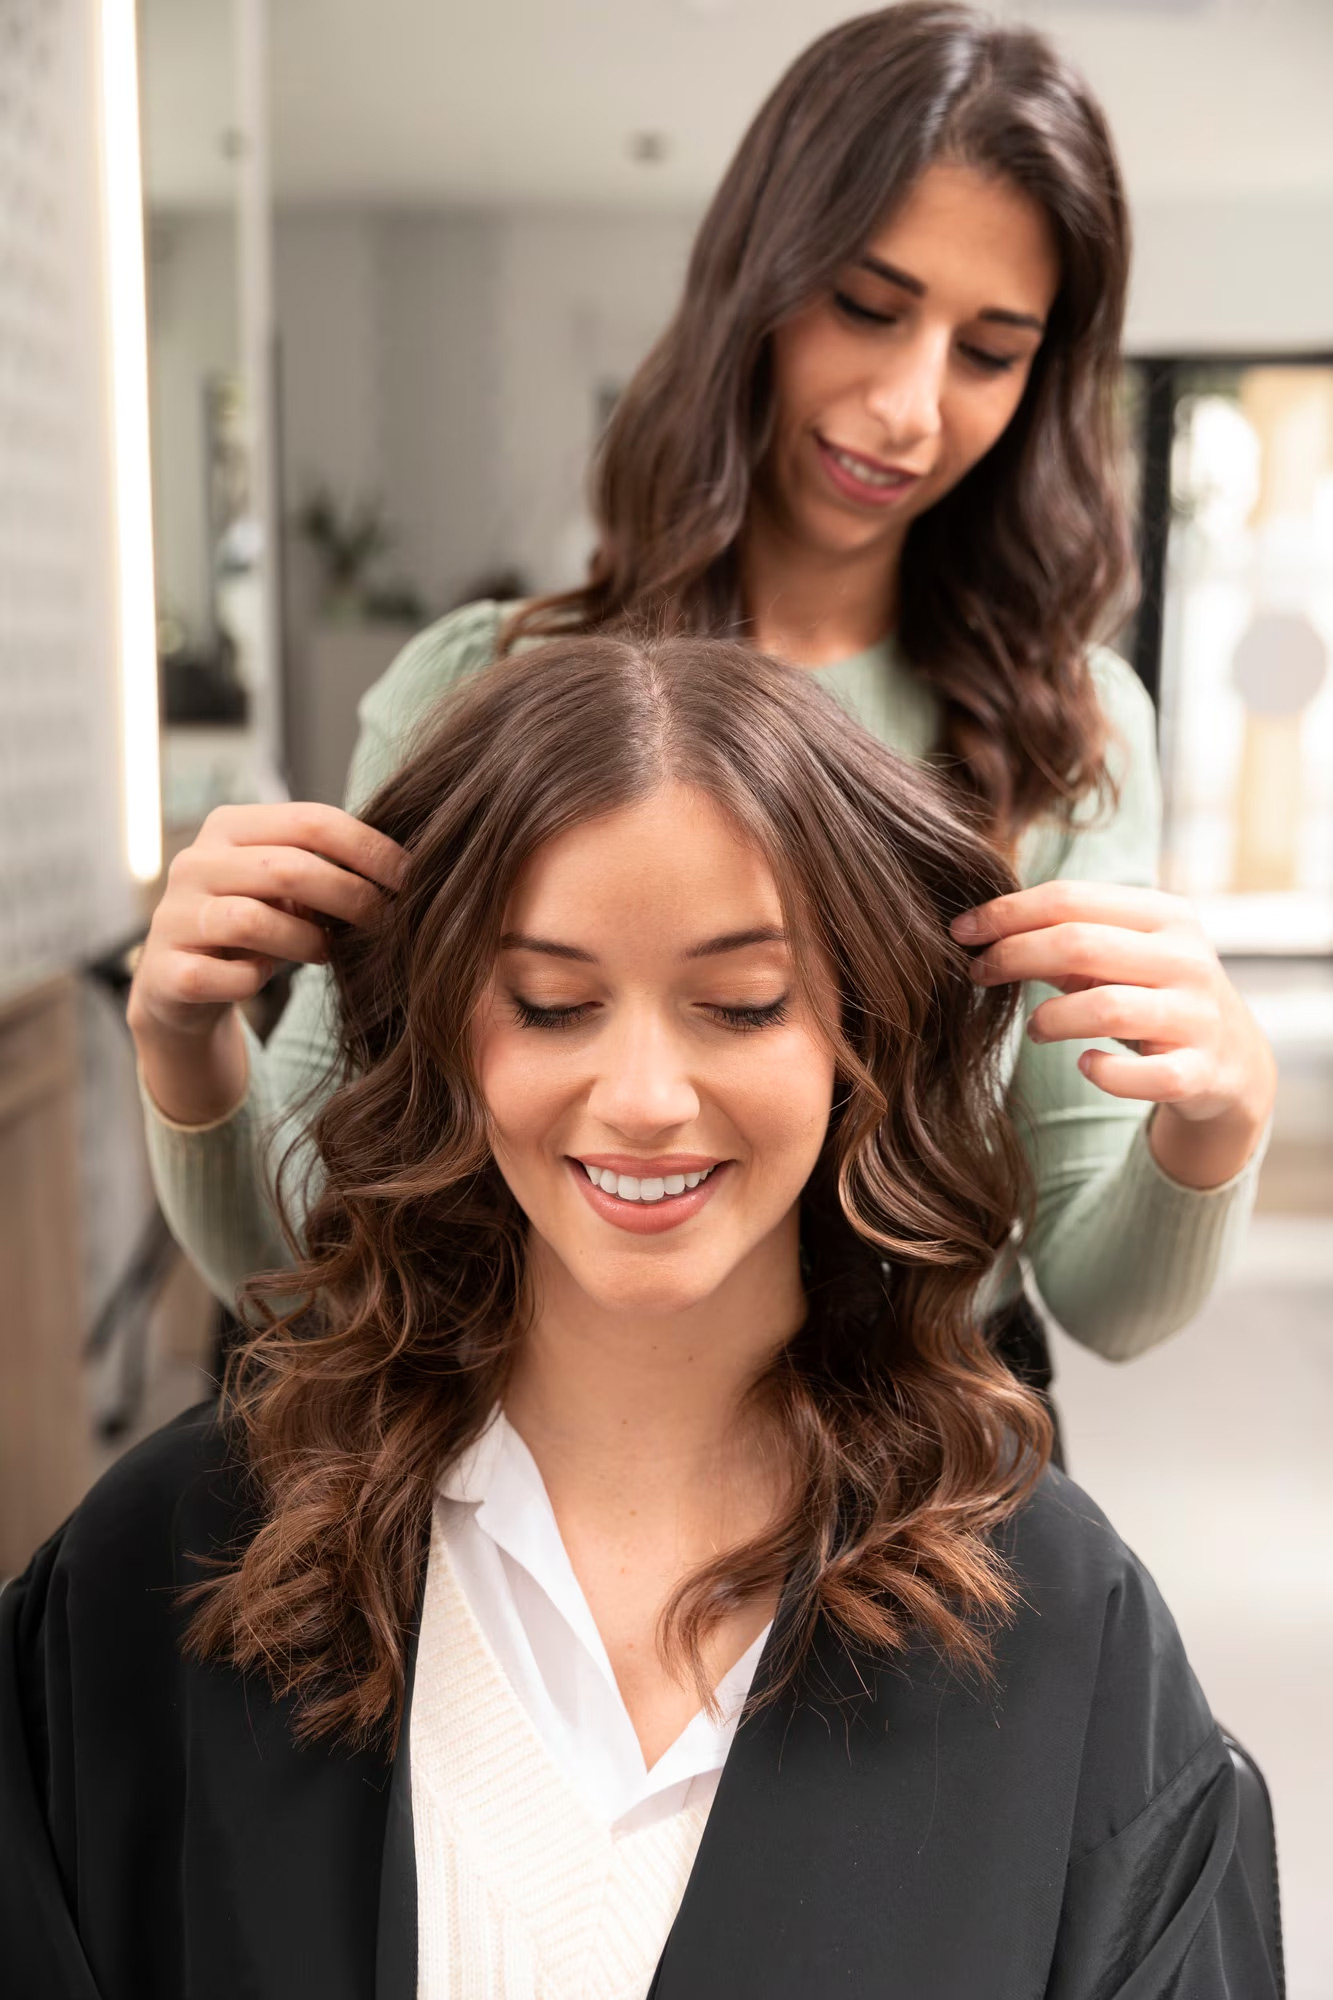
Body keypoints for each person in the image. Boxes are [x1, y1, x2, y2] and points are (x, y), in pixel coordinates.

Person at [2, 637, 1278, 1998]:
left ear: (859, 1031)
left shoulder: (1063, 1638)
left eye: (739, 1005)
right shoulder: (174, 1567)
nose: (644, 1096)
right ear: (445, 1031)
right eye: (552, 1005)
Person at [126, 3, 1275, 1397]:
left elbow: (1104, 1296)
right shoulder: (481, 683)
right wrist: (183, 1042)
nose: (909, 406)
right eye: (865, 306)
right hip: (546, 1458)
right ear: (756, 283)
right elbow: (307, 1244)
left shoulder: (1068, 727)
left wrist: (1217, 1117)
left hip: (919, 1475)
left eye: (988, 350)